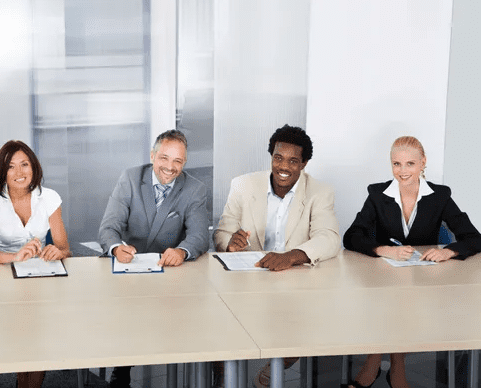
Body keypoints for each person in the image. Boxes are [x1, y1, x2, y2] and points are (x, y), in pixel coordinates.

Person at [343, 136, 481, 388]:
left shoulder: (439, 196)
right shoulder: (377, 194)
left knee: (402, 302)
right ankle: (396, 370)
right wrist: (384, 249)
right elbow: (351, 236)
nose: (403, 171)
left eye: (410, 164)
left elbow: (473, 238)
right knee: (394, 301)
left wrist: (448, 251)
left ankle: (373, 365)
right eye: (396, 164)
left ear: (423, 163)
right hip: (384, 279)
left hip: (424, 283)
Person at [213, 124, 341, 388]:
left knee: (313, 322)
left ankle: (280, 364)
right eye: (278, 158)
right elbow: (223, 232)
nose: (284, 166)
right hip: (248, 278)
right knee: (221, 321)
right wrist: (230, 244)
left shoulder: (319, 192)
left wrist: (292, 256)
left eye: (294, 161)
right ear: (271, 157)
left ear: (304, 163)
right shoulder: (243, 185)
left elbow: (329, 238)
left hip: (293, 280)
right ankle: (224, 377)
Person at [98, 129, 209, 387]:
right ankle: (121, 368)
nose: (170, 167)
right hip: (128, 269)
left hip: (169, 273)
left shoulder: (195, 189)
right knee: (124, 312)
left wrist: (182, 251)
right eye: (164, 158)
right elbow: (109, 227)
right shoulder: (130, 178)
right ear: (152, 155)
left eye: (177, 161)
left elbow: (200, 235)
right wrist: (116, 247)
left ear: (184, 163)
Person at [0, 140, 70, 388]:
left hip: (40, 275)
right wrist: (14, 257)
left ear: (33, 167)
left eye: (24, 164)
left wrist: (55, 251)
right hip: (5, 275)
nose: (19, 173)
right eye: (11, 167)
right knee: (21, 332)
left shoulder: (49, 198)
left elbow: (64, 247)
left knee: (39, 332)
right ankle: (22, 380)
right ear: (2, 172)